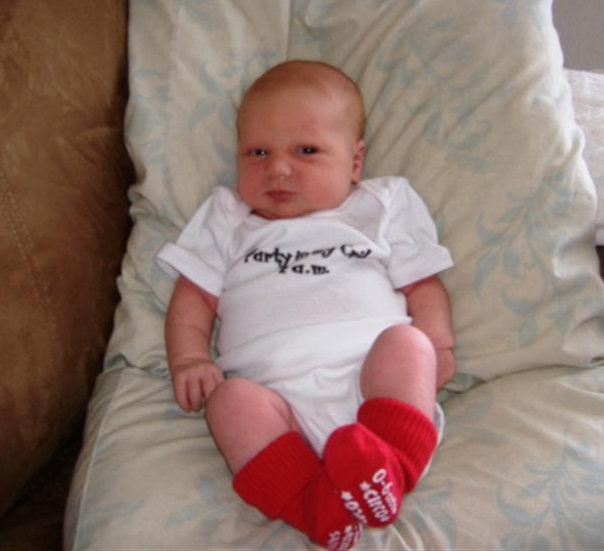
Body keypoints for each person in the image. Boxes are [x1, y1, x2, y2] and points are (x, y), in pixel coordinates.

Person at [156, 60, 455, 551]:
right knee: (228, 403)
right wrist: (189, 358)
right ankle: (315, 505)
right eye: (258, 152)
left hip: (371, 375)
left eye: (306, 150)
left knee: (409, 343)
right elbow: (194, 297)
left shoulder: (381, 205)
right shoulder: (228, 218)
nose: (277, 168)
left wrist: (438, 343)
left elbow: (424, 286)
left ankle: (391, 465)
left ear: (355, 162)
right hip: (272, 395)